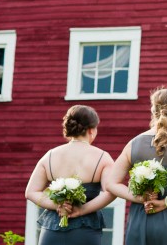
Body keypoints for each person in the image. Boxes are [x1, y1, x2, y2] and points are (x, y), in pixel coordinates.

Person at [106, 87, 167, 245]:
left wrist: (139, 198)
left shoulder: (132, 144)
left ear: (153, 111)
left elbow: (110, 183)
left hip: (139, 220)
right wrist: (165, 202)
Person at [25, 105, 115, 245]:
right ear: (91, 130)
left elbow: (30, 192)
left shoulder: (49, 155)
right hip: (85, 231)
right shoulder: (102, 157)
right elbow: (111, 191)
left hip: (52, 231)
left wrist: (57, 206)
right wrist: (81, 210)